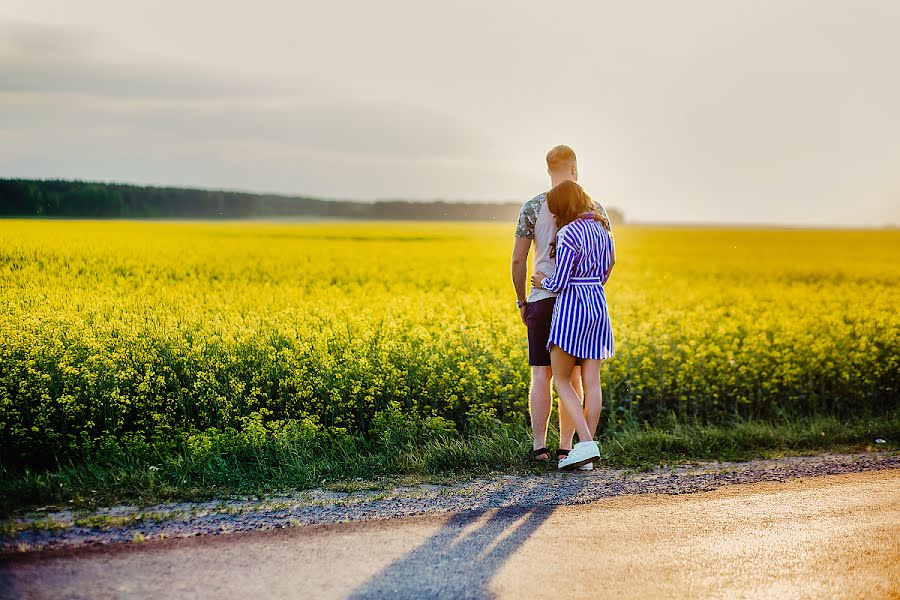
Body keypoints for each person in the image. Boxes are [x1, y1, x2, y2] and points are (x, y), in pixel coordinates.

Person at [511, 145, 613, 467]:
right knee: (579, 379)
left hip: (545, 299)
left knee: (543, 374)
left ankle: (539, 447)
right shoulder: (595, 209)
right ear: (574, 169)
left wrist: (522, 300)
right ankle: (569, 447)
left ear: (548, 169)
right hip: (586, 301)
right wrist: (590, 289)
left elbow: (518, 259)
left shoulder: (532, 207)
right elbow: (608, 261)